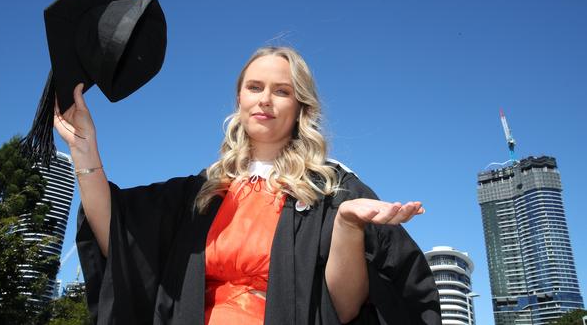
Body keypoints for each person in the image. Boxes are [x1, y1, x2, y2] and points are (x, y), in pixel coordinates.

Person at [54, 46, 441, 324]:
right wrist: (85, 152)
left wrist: (348, 226)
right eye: (255, 87)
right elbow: (119, 237)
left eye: (282, 91)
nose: (266, 100)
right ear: (239, 99)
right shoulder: (202, 191)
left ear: (301, 107)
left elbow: (343, 309)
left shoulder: (332, 190)